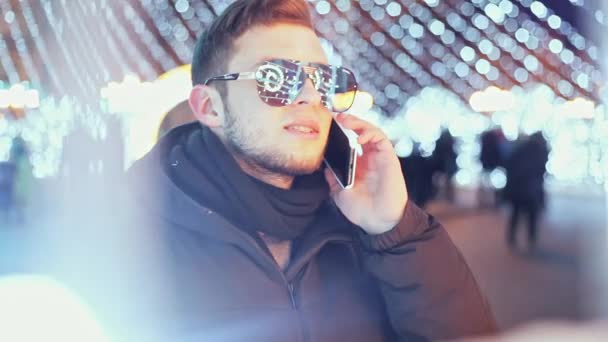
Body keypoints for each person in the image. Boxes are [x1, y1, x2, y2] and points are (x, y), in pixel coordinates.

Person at [94, 1, 496, 340]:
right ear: (210, 107)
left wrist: (395, 229)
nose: (309, 95)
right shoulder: (130, 236)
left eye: (322, 79)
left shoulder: (360, 226)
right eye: (276, 78)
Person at [504, 131, 549, 250]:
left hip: (519, 188)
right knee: (531, 216)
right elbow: (541, 171)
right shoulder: (540, 152)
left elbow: (510, 165)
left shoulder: (520, 149)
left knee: (516, 214)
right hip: (531, 189)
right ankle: (531, 238)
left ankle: (512, 237)